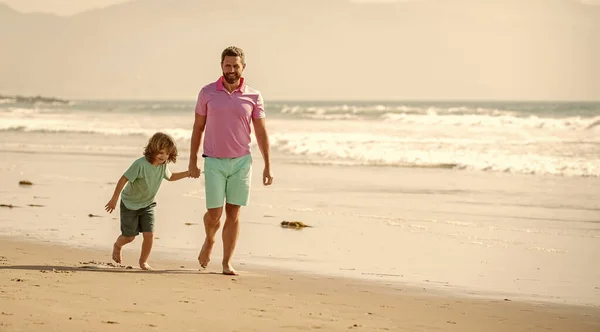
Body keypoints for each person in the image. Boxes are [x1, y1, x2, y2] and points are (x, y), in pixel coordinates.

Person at [188, 46, 273, 276]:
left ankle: (226, 263)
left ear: (243, 67)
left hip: (242, 162)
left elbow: (262, 133)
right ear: (221, 66)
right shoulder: (207, 93)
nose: (232, 69)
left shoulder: (254, 96)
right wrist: (192, 160)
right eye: (228, 65)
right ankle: (209, 239)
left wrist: (267, 165)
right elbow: (198, 127)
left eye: (236, 65)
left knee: (234, 213)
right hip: (214, 161)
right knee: (214, 215)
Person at [105, 132, 190, 270]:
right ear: (153, 150)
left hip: (148, 204)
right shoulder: (140, 164)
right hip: (129, 204)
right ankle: (117, 245)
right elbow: (123, 179)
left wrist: (187, 173)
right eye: (161, 152)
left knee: (149, 235)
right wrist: (114, 199)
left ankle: (143, 261)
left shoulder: (163, 166)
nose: (163, 157)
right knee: (129, 237)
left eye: (167, 153)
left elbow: (170, 177)